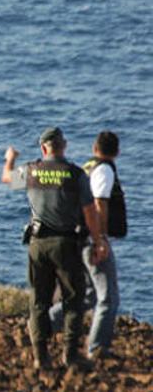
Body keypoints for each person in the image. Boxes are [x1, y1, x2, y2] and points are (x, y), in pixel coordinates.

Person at [1, 127, 108, 370]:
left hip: (38, 244)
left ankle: (41, 356)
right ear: (64, 146)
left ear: (43, 148)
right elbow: (90, 212)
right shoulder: (75, 175)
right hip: (66, 244)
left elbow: (6, 177)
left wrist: (10, 158)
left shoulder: (31, 171)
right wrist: (98, 241)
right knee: (73, 298)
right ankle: (70, 355)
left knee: (39, 300)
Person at [48, 131, 125, 360]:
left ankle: (44, 324)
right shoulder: (104, 170)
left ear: (94, 148)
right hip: (91, 240)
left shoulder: (87, 167)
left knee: (87, 296)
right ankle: (97, 348)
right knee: (108, 297)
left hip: (78, 238)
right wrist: (99, 240)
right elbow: (99, 204)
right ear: (117, 152)